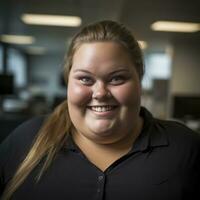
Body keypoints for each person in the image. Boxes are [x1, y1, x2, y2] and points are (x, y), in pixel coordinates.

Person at [0, 20, 199, 200]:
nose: (100, 93)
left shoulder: (185, 148)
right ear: (68, 82)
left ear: (140, 79)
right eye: (85, 79)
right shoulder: (25, 140)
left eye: (117, 78)